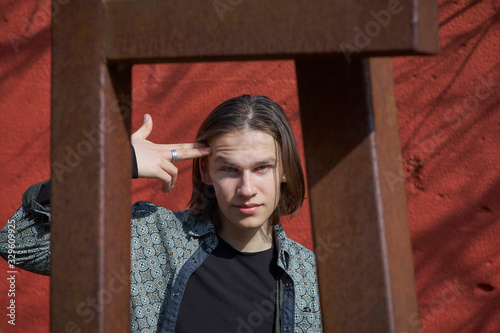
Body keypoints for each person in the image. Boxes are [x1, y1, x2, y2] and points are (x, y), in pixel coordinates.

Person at [0, 95, 323, 332]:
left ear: (284, 171)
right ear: (207, 172)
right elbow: (18, 242)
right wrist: (107, 163)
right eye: (229, 170)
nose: (246, 188)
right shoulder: (150, 238)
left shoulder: (314, 278)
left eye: (262, 168)